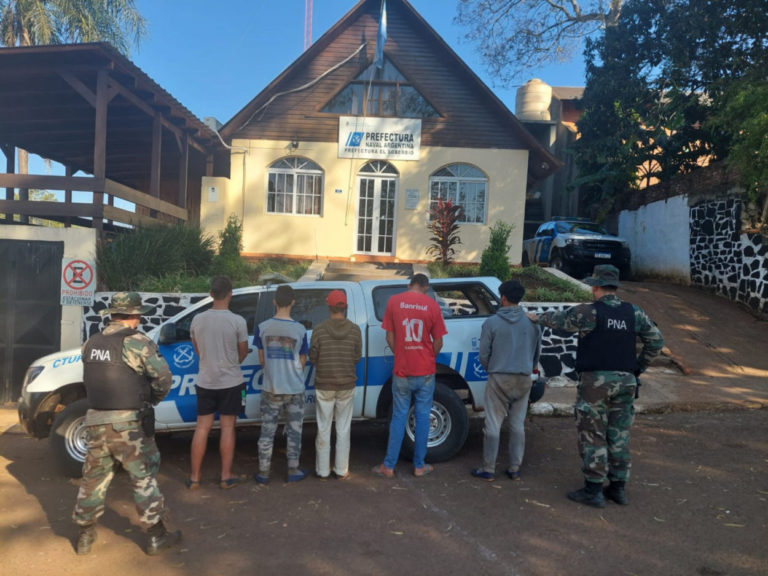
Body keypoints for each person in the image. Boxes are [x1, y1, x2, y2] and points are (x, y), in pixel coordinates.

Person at [528, 265, 664, 508]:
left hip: (595, 383)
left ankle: (594, 489)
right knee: (619, 434)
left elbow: (560, 321)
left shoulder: (589, 312)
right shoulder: (634, 313)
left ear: (595, 286)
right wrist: (637, 367)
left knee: (592, 433)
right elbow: (656, 341)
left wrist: (535, 317)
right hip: (626, 382)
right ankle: (618, 488)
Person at [72, 292, 181, 556]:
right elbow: (163, 379)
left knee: (92, 480)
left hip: (96, 421)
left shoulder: (91, 343)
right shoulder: (138, 342)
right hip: (128, 424)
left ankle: (85, 536)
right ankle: (156, 536)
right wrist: (150, 400)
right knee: (142, 477)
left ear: (111, 314)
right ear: (135, 316)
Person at [372, 273, 447, 478]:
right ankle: (419, 466)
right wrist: (427, 357)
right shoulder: (432, 305)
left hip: (402, 372)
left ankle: (388, 466)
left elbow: (389, 336)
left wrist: (402, 355)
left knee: (398, 417)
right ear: (425, 287)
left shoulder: (394, 302)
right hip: (425, 372)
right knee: (423, 417)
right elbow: (439, 341)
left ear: (409, 284)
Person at [471, 280, 542, 482]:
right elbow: (536, 353)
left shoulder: (492, 323)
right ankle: (514, 468)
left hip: (499, 377)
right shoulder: (532, 324)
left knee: (493, 424)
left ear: (502, 297)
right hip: (523, 377)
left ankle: (488, 469)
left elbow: (483, 354)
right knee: (517, 424)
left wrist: (491, 369)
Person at [188, 275, 249, 490]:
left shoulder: (197, 320)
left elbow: (197, 349)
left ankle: (195, 477)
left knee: (202, 427)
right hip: (231, 382)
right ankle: (226, 475)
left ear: (211, 294)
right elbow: (242, 353)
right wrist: (233, 362)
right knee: (227, 427)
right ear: (230, 293)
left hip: (205, 381)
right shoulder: (238, 321)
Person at [253, 284, 309, 483]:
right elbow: (302, 360)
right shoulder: (300, 330)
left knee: (267, 431)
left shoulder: (263, 328)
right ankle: (293, 470)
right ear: (293, 302)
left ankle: (263, 472)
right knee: (295, 431)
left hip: (271, 387)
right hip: (295, 388)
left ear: (274, 302)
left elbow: (262, 360)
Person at [308, 290, 362, 480]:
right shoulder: (355, 330)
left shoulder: (319, 330)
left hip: (324, 384)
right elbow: (357, 357)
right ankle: (341, 470)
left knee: (323, 427)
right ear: (345, 307)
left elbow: (313, 356)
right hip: (346, 384)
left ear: (328, 307)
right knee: (343, 428)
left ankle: (322, 471)